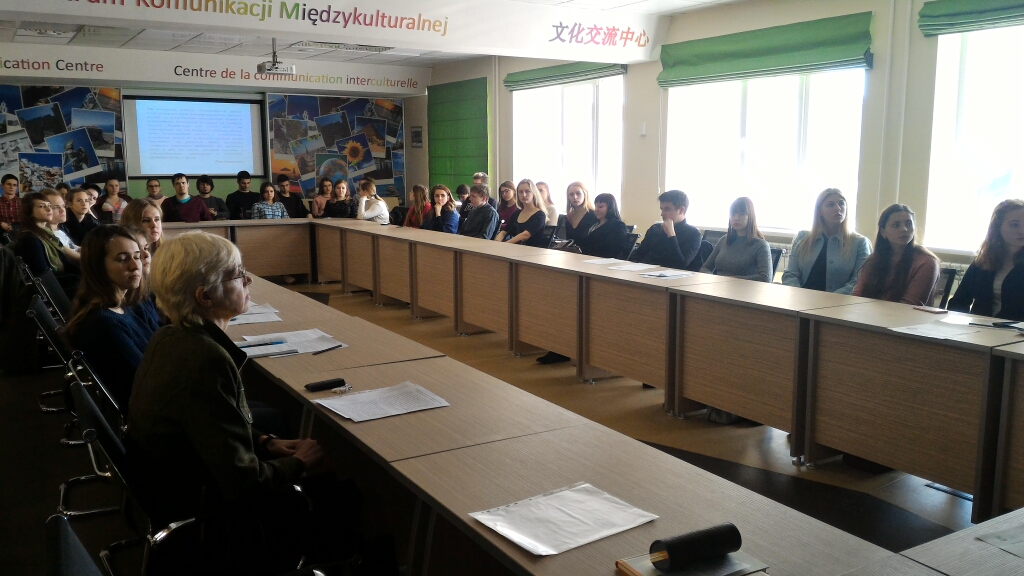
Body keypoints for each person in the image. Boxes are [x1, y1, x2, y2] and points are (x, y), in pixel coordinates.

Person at [125, 232, 363, 574]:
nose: (248, 279)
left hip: (178, 489)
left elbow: (209, 425)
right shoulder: (206, 360)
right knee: (343, 497)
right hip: (213, 518)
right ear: (205, 296)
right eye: (237, 274)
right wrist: (298, 462)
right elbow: (244, 484)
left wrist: (265, 441)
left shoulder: (169, 336)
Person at [65, 225, 151, 409]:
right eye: (122, 259)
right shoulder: (104, 322)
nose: (135, 266)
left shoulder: (122, 306)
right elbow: (147, 379)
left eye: (137, 256)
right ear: (98, 266)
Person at [782, 188, 871, 294]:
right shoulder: (802, 238)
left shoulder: (859, 243)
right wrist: (799, 296)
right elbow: (790, 274)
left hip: (839, 301)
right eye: (830, 205)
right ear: (819, 211)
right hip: (801, 299)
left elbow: (858, 282)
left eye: (841, 203)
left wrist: (830, 300)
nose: (838, 208)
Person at [948, 199, 1024, 320]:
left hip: (1017, 330)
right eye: (1014, 225)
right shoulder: (983, 261)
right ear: (997, 227)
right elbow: (959, 301)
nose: (1022, 231)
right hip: (979, 328)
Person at [852, 204, 939, 305]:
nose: (904, 229)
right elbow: (857, 295)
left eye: (908, 224)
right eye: (896, 225)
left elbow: (909, 305)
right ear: (883, 232)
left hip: (905, 314)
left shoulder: (926, 262)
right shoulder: (874, 259)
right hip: (869, 313)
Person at [16, 192, 79, 297]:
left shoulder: (46, 233)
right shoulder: (30, 239)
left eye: (49, 205)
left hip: (61, 280)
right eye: (41, 206)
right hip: (53, 288)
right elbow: (43, 274)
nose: (48, 209)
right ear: (30, 212)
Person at [700, 197, 773, 283]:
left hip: (745, 289)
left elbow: (765, 278)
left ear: (750, 217)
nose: (736, 218)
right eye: (733, 214)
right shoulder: (724, 240)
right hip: (718, 287)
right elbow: (706, 268)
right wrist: (714, 281)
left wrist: (728, 281)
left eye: (741, 214)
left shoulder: (761, 245)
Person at [630, 190, 703, 270]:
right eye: (662, 209)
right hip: (645, 272)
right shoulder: (655, 229)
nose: (662, 214)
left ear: (681, 210)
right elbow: (638, 256)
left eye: (667, 209)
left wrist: (671, 235)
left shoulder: (693, 234)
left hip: (671, 275)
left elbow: (680, 265)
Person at [495, 179, 548, 247]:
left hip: (531, 251)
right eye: (520, 192)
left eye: (527, 191)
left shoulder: (540, 215)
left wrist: (504, 245)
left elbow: (525, 235)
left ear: (534, 193)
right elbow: (504, 232)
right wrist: (496, 243)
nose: (524, 195)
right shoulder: (516, 214)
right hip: (514, 249)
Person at [576, 193, 628, 259]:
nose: (596, 210)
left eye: (600, 207)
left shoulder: (618, 225)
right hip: (586, 258)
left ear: (610, 208)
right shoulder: (593, 223)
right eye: (596, 206)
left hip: (602, 260)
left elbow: (612, 249)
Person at [41, 189, 81, 264]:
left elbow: (74, 247)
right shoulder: (49, 235)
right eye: (56, 207)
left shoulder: (59, 229)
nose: (62, 210)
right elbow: (77, 258)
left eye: (63, 206)